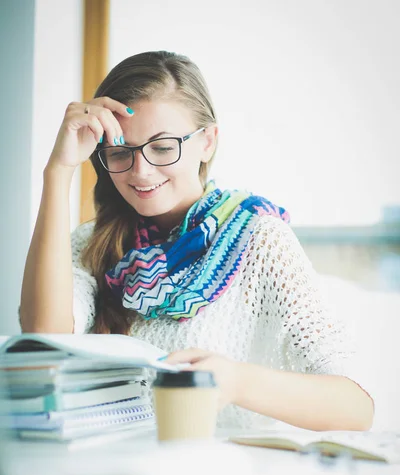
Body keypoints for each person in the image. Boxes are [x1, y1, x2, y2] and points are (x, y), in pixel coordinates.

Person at [20, 50, 374, 432]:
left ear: (207, 142)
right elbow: (46, 339)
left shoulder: (258, 238)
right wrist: (59, 171)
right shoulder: (91, 243)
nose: (141, 172)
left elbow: (355, 408)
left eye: (162, 146)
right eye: (121, 152)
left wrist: (235, 382)